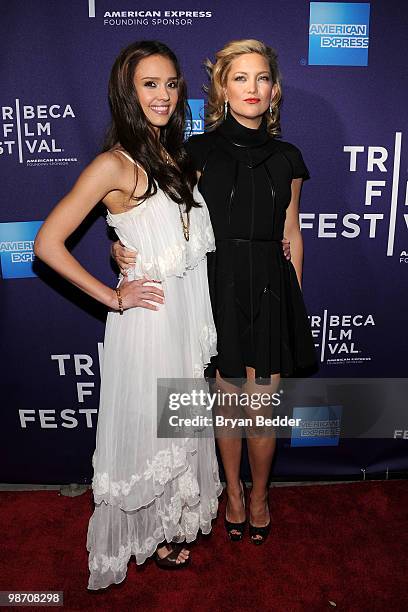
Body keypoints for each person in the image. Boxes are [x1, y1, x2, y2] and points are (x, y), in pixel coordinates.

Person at [112, 39, 317, 546]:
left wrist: (293, 297)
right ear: (222, 89)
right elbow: (159, 217)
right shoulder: (194, 153)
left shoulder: (289, 157)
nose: (253, 88)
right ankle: (231, 492)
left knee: (262, 408)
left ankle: (261, 494)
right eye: (240, 78)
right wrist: (121, 247)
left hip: (271, 287)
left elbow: (292, 232)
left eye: (262, 78)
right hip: (216, 285)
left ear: (274, 90)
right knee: (227, 405)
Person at [34, 40, 222, 590]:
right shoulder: (113, 164)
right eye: (149, 84)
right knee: (149, 425)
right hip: (150, 320)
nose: (162, 96)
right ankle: (145, 532)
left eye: (170, 84)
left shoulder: (175, 157)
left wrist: (126, 245)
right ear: (127, 92)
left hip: (185, 315)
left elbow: (178, 239)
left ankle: (169, 523)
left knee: (178, 422)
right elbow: (47, 243)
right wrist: (114, 295)